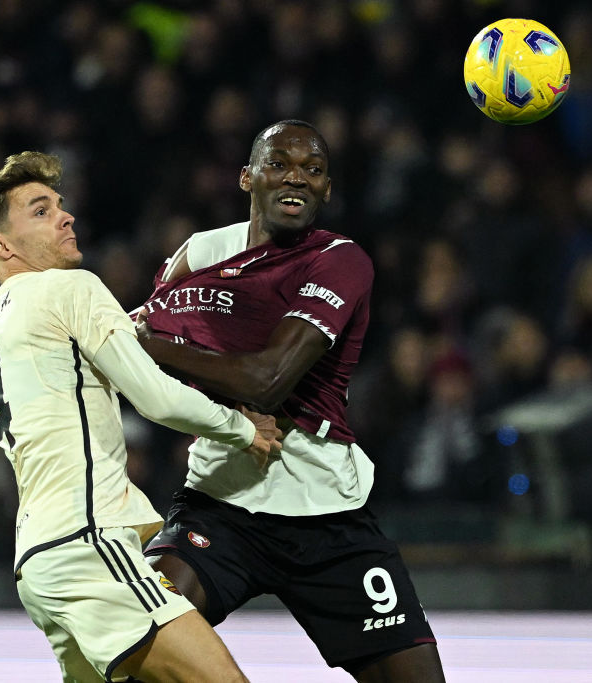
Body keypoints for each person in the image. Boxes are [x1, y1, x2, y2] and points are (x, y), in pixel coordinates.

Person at [0, 151, 284, 683]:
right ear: (2, 246)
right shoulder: (70, 287)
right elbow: (156, 398)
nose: (66, 216)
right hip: (87, 542)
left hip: (36, 564)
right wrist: (241, 428)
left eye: (60, 206)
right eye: (41, 211)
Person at [135, 121, 446, 681]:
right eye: (279, 164)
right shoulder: (202, 252)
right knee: (140, 628)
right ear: (247, 176)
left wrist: (151, 347)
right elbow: (141, 351)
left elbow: (266, 380)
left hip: (323, 511)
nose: (296, 178)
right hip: (220, 500)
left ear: (327, 190)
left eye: (314, 169)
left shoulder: (340, 261)